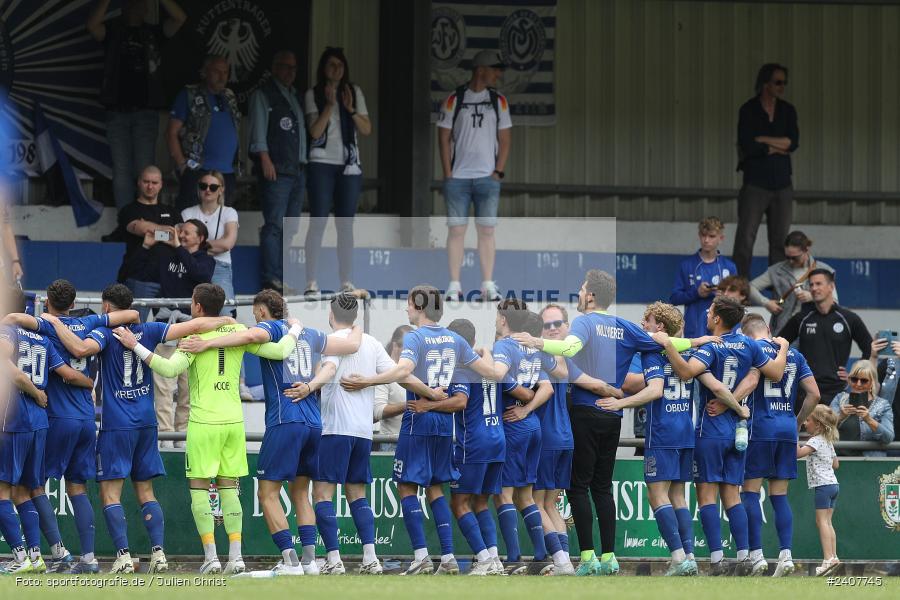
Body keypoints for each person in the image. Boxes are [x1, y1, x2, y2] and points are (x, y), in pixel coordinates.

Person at [511, 270, 705, 577]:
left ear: (591, 296)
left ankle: (587, 558)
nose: (578, 293)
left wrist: (536, 341)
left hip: (586, 411)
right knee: (603, 488)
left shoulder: (585, 322)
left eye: (582, 288)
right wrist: (698, 340)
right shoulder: (623, 325)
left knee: (578, 488)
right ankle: (609, 558)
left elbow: (569, 349)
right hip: (613, 415)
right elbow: (664, 341)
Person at [39, 284, 229, 574]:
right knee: (146, 491)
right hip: (146, 422)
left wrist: (52, 321)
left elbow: (79, 348)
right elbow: (195, 324)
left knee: (110, 494)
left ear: (106, 308)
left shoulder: (104, 333)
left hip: (117, 425)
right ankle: (158, 553)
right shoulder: (151, 330)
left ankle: (124, 556)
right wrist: (225, 320)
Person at [114, 283, 302, 575]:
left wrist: (134, 345)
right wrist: (295, 329)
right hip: (233, 423)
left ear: (198, 307)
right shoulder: (238, 332)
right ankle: (236, 558)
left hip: (203, 423)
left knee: (200, 489)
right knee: (229, 489)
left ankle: (212, 557)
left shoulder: (194, 334)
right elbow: (280, 352)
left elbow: (167, 369)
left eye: (192, 301)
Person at [181, 290, 363, 576]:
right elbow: (352, 345)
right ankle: (309, 562)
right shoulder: (311, 333)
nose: (254, 319)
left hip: (284, 420)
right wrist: (357, 321)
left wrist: (209, 344)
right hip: (314, 423)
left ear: (263, 311)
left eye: (255, 313)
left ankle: (289, 561)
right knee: (301, 493)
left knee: (267, 493)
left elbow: (251, 337)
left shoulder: (271, 328)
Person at [338, 284, 501, 575]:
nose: (406, 308)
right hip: (444, 426)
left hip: (418, 419)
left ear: (420, 307)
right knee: (436, 488)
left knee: (406, 486)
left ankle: (422, 557)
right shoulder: (454, 339)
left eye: (409, 303)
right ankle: (448, 558)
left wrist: (368, 381)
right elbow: (492, 373)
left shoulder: (415, 337)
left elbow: (402, 372)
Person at [1, 280, 139, 574]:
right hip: (87, 419)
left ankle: (54, 552)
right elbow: (131, 315)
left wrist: (46, 319)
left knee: (29, 487)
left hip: (54, 418)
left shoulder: (44, 328)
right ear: (74, 303)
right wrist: (90, 382)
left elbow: (13, 320)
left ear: (47, 302)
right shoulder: (89, 322)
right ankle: (87, 558)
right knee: (77, 487)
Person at [655, 296, 788, 576]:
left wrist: (668, 345)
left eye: (710, 310)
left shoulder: (712, 345)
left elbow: (687, 372)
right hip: (738, 430)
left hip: (710, 428)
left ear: (717, 319)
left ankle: (717, 559)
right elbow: (773, 373)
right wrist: (784, 348)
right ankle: (744, 557)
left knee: (707, 497)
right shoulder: (749, 344)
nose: (706, 312)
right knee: (733, 496)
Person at [598, 302, 705, 577]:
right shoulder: (686, 351)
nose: (644, 325)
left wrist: (620, 404)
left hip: (663, 431)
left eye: (648, 320)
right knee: (678, 496)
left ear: (660, 327)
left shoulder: (652, 351)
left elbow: (655, 390)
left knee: (656, 495)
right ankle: (689, 556)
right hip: (685, 429)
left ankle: (679, 558)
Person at [295, 294, 396, 575]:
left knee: (323, 494)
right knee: (357, 495)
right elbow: (396, 372)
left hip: (334, 428)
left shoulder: (333, 340)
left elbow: (329, 370)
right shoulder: (372, 342)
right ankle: (370, 558)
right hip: (363, 431)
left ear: (331, 312)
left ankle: (335, 559)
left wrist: (312, 385)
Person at [0, 290, 94, 575]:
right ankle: (38, 555)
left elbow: (9, 369)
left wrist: (34, 392)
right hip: (40, 421)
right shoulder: (42, 337)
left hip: (14, 417)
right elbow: (67, 372)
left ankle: (20, 556)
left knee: (3, 490)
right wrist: (90, 383)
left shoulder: (7, 330)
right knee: (23, 490)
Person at [738, 313, 820, 577]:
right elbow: (814, 394)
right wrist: (797, 421)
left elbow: (750, 382)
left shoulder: (752, 349)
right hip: (786, 428)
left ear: (745, 333)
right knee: (779, 495)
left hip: (759, 428)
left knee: (750, 492)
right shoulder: (794, 354)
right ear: (769, 329)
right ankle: (786, 555)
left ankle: (757, 555)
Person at [87, 0, 186, 211]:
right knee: (121, 170)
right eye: (131, 3)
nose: (136, 7)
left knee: (145, 171)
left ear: (147, 9)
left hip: (145, 113)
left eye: (140, 3)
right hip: (117, 112)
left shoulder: (153, 33)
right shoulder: (113, 30)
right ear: (123, 6)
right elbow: (92, 26)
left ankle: (145, 219)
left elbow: (180, 18)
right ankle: (126, 222)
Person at [446, 318, 518, 576]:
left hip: (474, 444)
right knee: (480, 503)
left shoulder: (462, 370)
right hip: (498, 439)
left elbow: (460, 402)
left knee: (459, 503)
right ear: (473, 341)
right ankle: (494, 559)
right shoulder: (491, 368)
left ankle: (484, 558)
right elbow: (520, 392)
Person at [438, 50, 512, 302]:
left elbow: (505, 138)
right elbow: (443, 136)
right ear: (481, 70)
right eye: (495, 69)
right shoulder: (454, 99)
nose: (498, 74)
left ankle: (487, 284)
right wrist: (448, 173)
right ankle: (454, 284)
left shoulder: (499, 101)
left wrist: (498, 171)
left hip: (487, 178)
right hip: (458, 177)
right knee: (456, 231)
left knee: (487, 230)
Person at [491, 305, 558, 574]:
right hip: (532, 426)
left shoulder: (504, 346)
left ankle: (514, 558)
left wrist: (478, 361)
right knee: (526, 496)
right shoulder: (532, 347)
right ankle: (541, 556)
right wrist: (528, 399)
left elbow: (497, 374)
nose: (495, 321)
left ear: (504, 320)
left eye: (497, 316)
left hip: (512, 423)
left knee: (503, 495)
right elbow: (555, 377)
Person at [303, 47, 372, 294]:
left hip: (350, 165)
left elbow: (366, 129)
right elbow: (314, 132)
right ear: (323, 68)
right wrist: (330, 105)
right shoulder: (313, 94)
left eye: (340, 65)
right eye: (332, 65)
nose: (336, 70)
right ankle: (311, 281)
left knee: (345, 224)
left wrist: (350, 108)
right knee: (318, 221)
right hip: (321, 162)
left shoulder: (353, 92)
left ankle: (345, 281)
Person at [733, 63, 799, 277]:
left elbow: (793, 142)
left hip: (782, 183)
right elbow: (748, 144)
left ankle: (778, 295)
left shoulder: (787, 111)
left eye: (784, 83)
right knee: (745, 238)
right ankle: (739, 290)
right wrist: (775, 146)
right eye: (778, 82)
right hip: (755, 183)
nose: (782, 87)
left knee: (780, 242)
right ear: (765, 83)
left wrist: (764, 141)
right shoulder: (748, 110)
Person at [249, 50, 307, 293]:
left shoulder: (294, 95)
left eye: (293, 68)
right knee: (274, 224)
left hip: (296, 168)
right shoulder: (264, 94)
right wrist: (264, 157)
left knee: (291, 225)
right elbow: (258, 130)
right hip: (276, 168)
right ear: (274, 67)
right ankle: (271, 278)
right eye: (284, 66)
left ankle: (282, 276)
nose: (289, 72)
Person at [780, 269, 873, 407]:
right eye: (811, 285)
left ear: (831, 286)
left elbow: (869, 347)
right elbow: (777, 343)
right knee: (803, 430)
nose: (814, 288)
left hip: (837, 392)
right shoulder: (801, 318)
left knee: (835, 429)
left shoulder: (848, 318)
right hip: (805, 391)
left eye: (818, 284)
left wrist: (854, 375)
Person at [167, 55, 240, 211]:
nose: (222, 76)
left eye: (225, 72)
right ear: (204, 72)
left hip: (226, 172)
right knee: (188, 224)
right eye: (216, 71)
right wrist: (182, 165)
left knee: (221, 222)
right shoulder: (189, 94)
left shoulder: (229, 97)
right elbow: (172, 132)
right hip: (198, 170)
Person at [115, 166, 180, 321]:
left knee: (170, 331)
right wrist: (167, 231)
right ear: (139, 182)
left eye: (154, 182)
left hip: (168, 278)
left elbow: (177, 235)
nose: (150, 186)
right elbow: (143, 229)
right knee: (135, 327)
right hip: (140, 278)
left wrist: (151, 228)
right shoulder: (129, 210)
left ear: (161, 184)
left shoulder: (171, 211)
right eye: (146, 182)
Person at [749, 231, 836, 334]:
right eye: (787, 257)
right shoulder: (776, 270)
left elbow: (835, 302)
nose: (790, 261)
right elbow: (750, 287)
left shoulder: (824, 270)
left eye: (795, 258)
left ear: (806, 250)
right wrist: (766, 302)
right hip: (784, 328)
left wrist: (812, 296)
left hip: (814, 329)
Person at [181, 171, 238, 315]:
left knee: (225, 311)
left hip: (219, 266)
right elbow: (183, 243)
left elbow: (228, 243)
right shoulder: (187, 213)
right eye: (203, 186)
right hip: (192, 264)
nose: (207, 190)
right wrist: (213, 246)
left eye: (213, 187)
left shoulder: (229, 212)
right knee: (188, 310)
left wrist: (197, 245)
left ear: (221, 189)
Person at [669, 217, 737, 338]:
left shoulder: (729, 266)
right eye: (703, 235)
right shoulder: (687, 265)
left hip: (723, 330)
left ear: (721, 238)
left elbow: (737, 300)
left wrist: (725, 297)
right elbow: (674, 298)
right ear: (699, 235)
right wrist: (697, 293)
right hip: (694, 330)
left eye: (711, 236)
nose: (706, 240)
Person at [797, 405, 840, 576]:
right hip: (834, 485)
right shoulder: (827, 441)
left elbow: (798, 454)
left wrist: (793, 435)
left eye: (808, 420)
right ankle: (834, 557)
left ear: (818, 425)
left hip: (822, 486)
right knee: (828, 522)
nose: (806, 423)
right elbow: (836, 464)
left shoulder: (815, 441)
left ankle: (827, 559)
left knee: (821, 521)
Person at [829, 361, 894, 457]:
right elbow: (823, 429)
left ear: (872, 382)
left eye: (864, 381)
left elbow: (888, 438)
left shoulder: (883, 405)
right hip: (838, 460)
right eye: (854, 379)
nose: (858, 384)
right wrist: (840, 417)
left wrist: (869, 420)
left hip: (869, 462)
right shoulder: (839, 399)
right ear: (849, 379)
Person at [373, 325, 413, 451]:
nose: (413, 352)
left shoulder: (415, 372)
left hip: (415, 442)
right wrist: (410, 404)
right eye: (409, 348)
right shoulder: (384, 374)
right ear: (395, 346)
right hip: (392, 444)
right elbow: (378, 411)